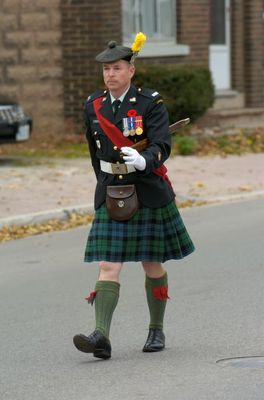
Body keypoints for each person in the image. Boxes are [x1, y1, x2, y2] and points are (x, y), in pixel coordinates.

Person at [73, 33, 195, 360]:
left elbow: (162, 143)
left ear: (130, 71)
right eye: (106, 70)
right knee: (108, 264)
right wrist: (104, 180)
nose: (109, 75)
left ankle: (156, 328)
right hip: (112, 190)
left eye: (116, 68)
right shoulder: (93, 105)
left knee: (151, 263)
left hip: (147, 191)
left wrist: (146, 160)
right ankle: (101, 335)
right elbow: (92, 149)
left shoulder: (149, 103)